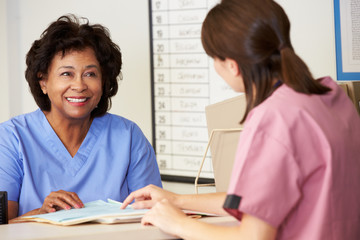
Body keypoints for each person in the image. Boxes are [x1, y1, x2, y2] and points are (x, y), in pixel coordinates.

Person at [120, 0, 360, 239]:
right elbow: (257, 201)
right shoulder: (332, 97)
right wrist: (177, 199)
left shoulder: (273, 118)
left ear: (232, 66)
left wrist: (178, 224)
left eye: (214, 58)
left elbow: (254, 236)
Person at [0, 14, 162, 221]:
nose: (79, 86)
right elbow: (2, 227)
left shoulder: (128, 136)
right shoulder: (10, 138)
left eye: (90, 74)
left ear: (104, 82)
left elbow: (156, 214)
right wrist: (41, 215)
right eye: (67, 74)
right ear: (43, 81)